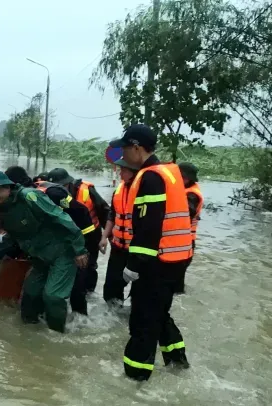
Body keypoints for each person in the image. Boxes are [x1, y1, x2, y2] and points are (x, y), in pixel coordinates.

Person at [109, 124, 191, 381]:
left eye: (124, 148)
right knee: (159, 313)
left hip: (157, 262)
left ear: (137, 148)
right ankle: (178, 362)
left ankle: (135, 379)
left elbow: (148, 226)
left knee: (143, 321)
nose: (122, 154)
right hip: (176, 259)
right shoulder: (168, 172)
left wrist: (134, 264)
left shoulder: (151, 177)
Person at [0, 172, 89, 333]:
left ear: (6, 188)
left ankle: (57, 335)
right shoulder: (3, 210)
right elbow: (13, 236)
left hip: (62, 252)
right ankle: (29, 332)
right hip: (40, 257)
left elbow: (61, 218)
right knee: (30, 293)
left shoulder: (29, 196)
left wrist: (80, 249)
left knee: (53, 296)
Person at [6, 166, 94, 316]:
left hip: (79, 236)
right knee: (42, 287)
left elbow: (81, 214)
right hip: (51, 246)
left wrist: (80, 247)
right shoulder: (18, 201)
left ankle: (80, 318)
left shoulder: (48, 194)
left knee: (77, 282)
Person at [49, 167, 110, 293]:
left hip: (91, 234)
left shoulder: (87, 190)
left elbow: (104, 210)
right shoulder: (51, 193)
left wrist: (106, 236)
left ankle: (89, 293)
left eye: (61, 187)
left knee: (89, 266)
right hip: (70, 235)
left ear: (68, 183)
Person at [99, 158, 139, 306]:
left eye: (123, 170)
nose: (120, 173)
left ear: (133, 172)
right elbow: (112, 215)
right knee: (111, 287)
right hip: (117, 247)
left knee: (139, 289)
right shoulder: (119, 190)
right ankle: (113, 318)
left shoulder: (142, 190)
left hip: (137, 249)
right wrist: (104, 237)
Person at [177, 162, 203, 294]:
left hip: (185, 243)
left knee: (175, 281)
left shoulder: (192, 195)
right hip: (182, 243)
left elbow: (184, 215)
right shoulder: (184, 190)